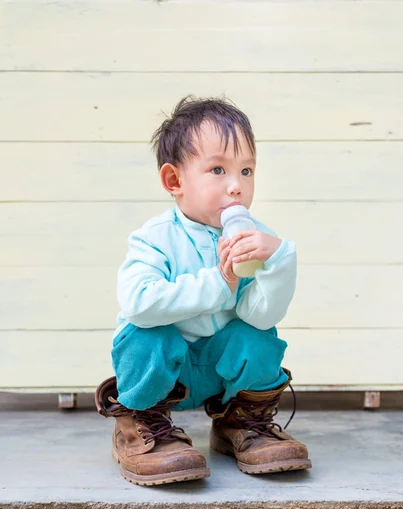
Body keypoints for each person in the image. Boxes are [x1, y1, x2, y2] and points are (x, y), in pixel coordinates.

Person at [95, 95, 312, 486]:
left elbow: (260, 316)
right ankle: (142, 422)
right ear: (175, 181)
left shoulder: (253, 238)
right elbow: (138, 302)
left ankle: (241, 422)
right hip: (164, 368)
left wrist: (279, 261)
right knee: (144, 335)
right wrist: (219, 282)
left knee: (258, 336)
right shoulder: (155, 238)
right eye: (218, 170)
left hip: (217, 368)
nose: (236, 187)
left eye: (247, 171)